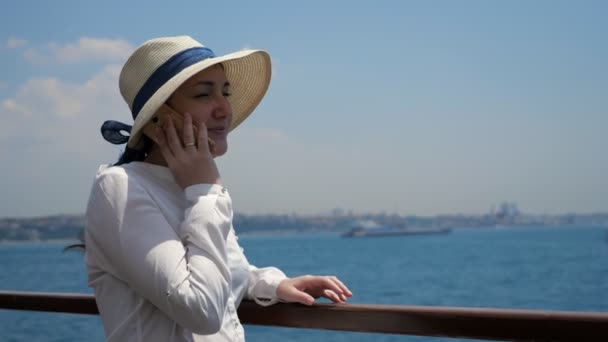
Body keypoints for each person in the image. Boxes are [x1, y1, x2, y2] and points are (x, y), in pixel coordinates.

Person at [84, 36, 352, 342]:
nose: (225, 109)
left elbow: (219, 267)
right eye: (203, 95)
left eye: (225, 92)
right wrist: (205, 190)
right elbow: (202, 310)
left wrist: (271, 285)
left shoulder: (191, 187)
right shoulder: (122, 187)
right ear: (158, 117)